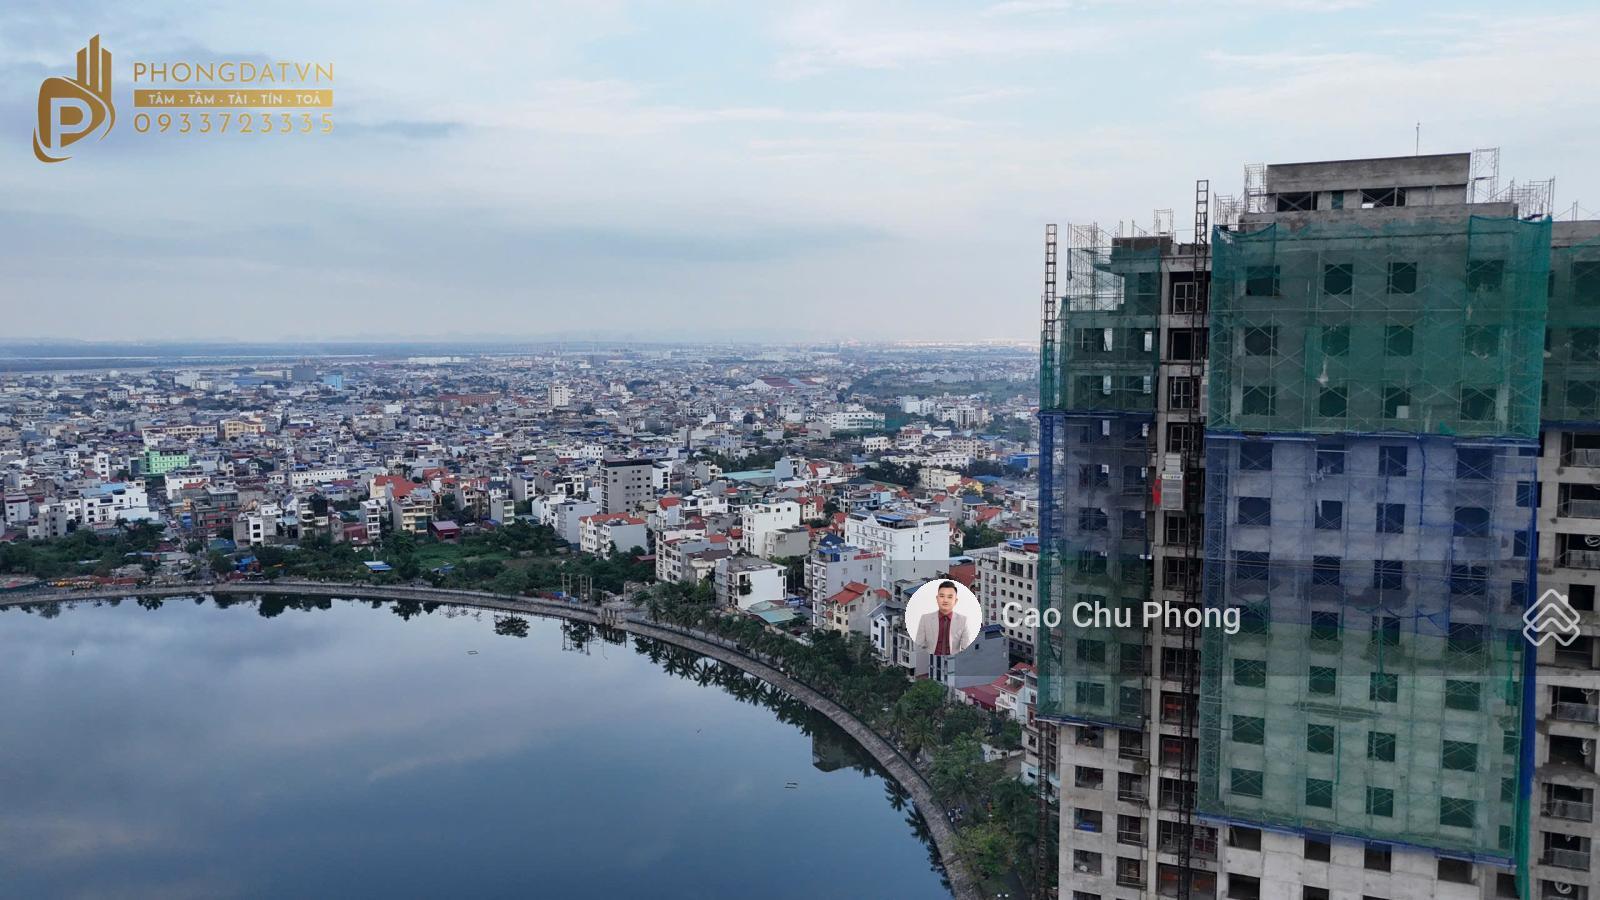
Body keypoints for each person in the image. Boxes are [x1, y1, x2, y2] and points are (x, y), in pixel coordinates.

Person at [914, 580, 974, 657]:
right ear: (937, 598)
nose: (945, 600)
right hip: (931, 660)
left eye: (950, 597)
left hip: (952, 661)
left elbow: (965, 647)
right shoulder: (925, 619)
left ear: (955, 601)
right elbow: (919, 644)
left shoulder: (963, 621)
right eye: (942, 596)